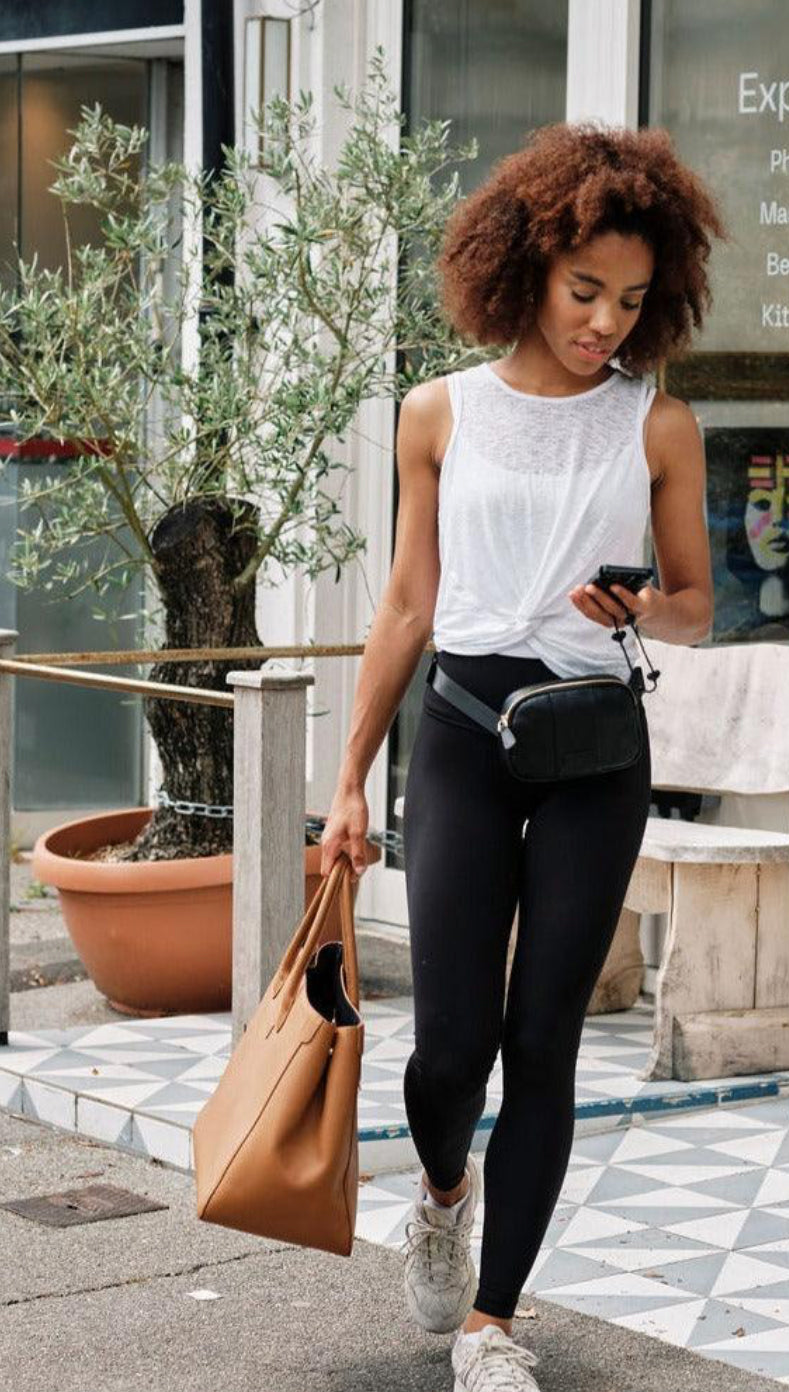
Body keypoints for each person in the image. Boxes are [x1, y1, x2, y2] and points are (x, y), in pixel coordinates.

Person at [317, 122, 724, 1392]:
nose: (607, 321)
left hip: (596, 743)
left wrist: (640, 607)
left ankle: (494, 1326)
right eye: (585, 291)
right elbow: (406, 607)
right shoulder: (439, 413)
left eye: (634, 301)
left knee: (543, 1036)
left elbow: (699, 602)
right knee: (450, 1045)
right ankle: (443, 1192)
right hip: (460, 737)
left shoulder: (661, 427)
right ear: (527, 266)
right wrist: (346, 781)